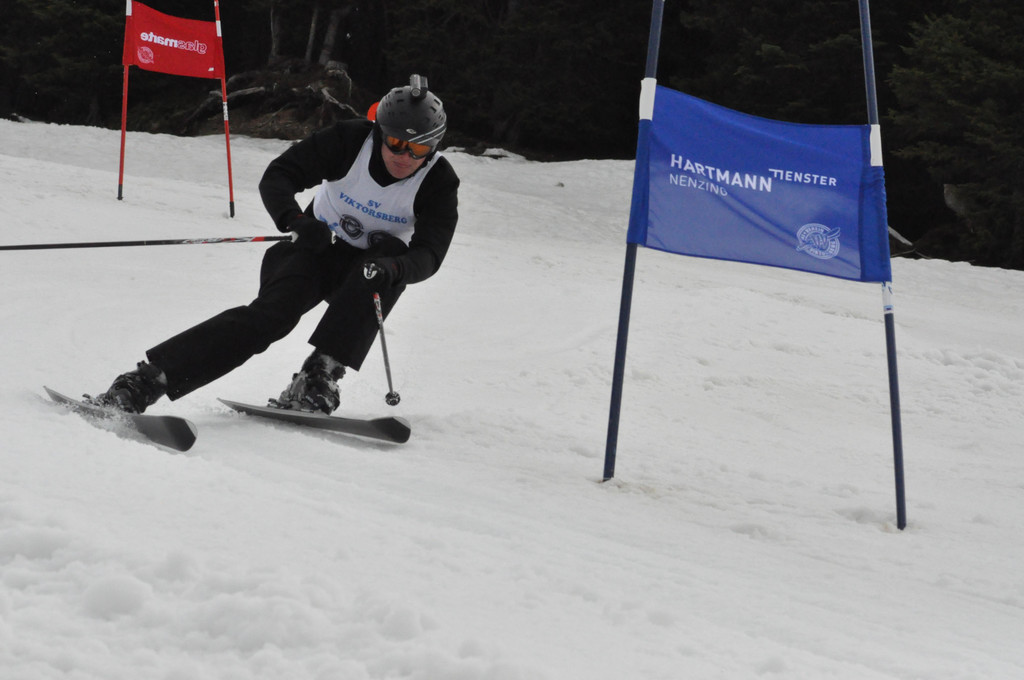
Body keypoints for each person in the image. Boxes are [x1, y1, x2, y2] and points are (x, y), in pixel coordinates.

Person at [91, 74, 459, 415]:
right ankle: (145, 382)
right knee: (269, 318)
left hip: (370, 271)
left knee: (388, 262)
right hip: (316, 248)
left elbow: (430, 252)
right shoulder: (349, 141)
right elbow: (280, 175)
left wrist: (396, 269)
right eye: (396, 143)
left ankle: (319, 375)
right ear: (380, 131)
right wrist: (296, 220)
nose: (404, 157)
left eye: (418, 149)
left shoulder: (438, 181)